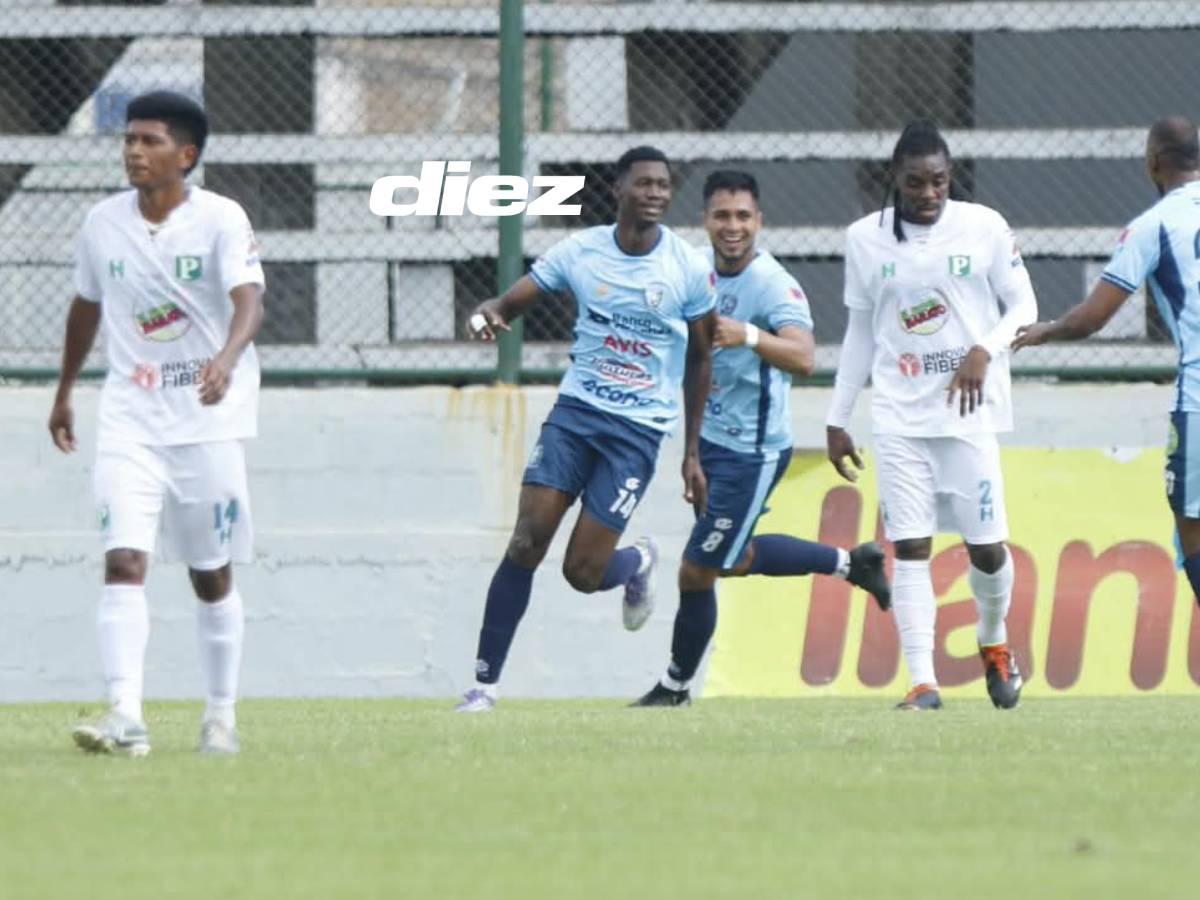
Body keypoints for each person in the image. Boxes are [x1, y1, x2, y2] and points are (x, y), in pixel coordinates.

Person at [455, 146, 717, 713]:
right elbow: (515, 298)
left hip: (637, 433)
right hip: (576, 416)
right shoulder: (582, 251)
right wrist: (492, 311)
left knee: (582, 571)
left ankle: (633, 563)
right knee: (526, 541)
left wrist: (692, 450)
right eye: (644, 183)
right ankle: (483, 687)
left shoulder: (688, 268)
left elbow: (700, 359)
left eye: (663, 185)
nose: (655, 193)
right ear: (618, 189)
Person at [48, 91, 265, 754]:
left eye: (149, 141)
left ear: (186, 155)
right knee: (123, 559)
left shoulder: (221, 219)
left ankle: (220, 716)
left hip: (206, 418)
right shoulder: (102, 223)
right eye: (129, 140)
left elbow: (249, 299)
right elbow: (86, 306)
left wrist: (225, 358)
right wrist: (64, 391)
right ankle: (125, 715)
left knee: (211, 570)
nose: (134, 152)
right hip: (129, 419)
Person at [631, 170, 891, 707]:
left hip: (754, 451)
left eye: (743, 216)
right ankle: (850, 564)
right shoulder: (694, 272)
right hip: (712, 445)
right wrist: (691, 453)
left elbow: (804, 355)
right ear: (704, 220)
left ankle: (675, 688)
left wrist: (747, 334)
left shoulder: (771, 283)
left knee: (697, 568)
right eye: (722, 216)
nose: (733, 227)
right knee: (731, 556)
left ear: (760, 222)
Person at [825, 121, 1038, 711]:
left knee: (987, 548)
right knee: (910, 547)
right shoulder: (865, 240)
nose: (928, 192)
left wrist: (982, 351)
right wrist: (838, 416)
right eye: (916, 181)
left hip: (969, 414)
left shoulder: (984, 226)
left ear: (951, 177)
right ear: (895, 178)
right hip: (899, 416)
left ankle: (993, 643)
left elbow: (1025, 306)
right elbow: (860, 331)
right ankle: (923, 683)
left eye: (939, 180)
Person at [1015, 117, 1200, 602]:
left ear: (1153, 161)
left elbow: (1094, 317)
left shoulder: (1152, 227)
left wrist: (1046, 331)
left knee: (1193, 525)